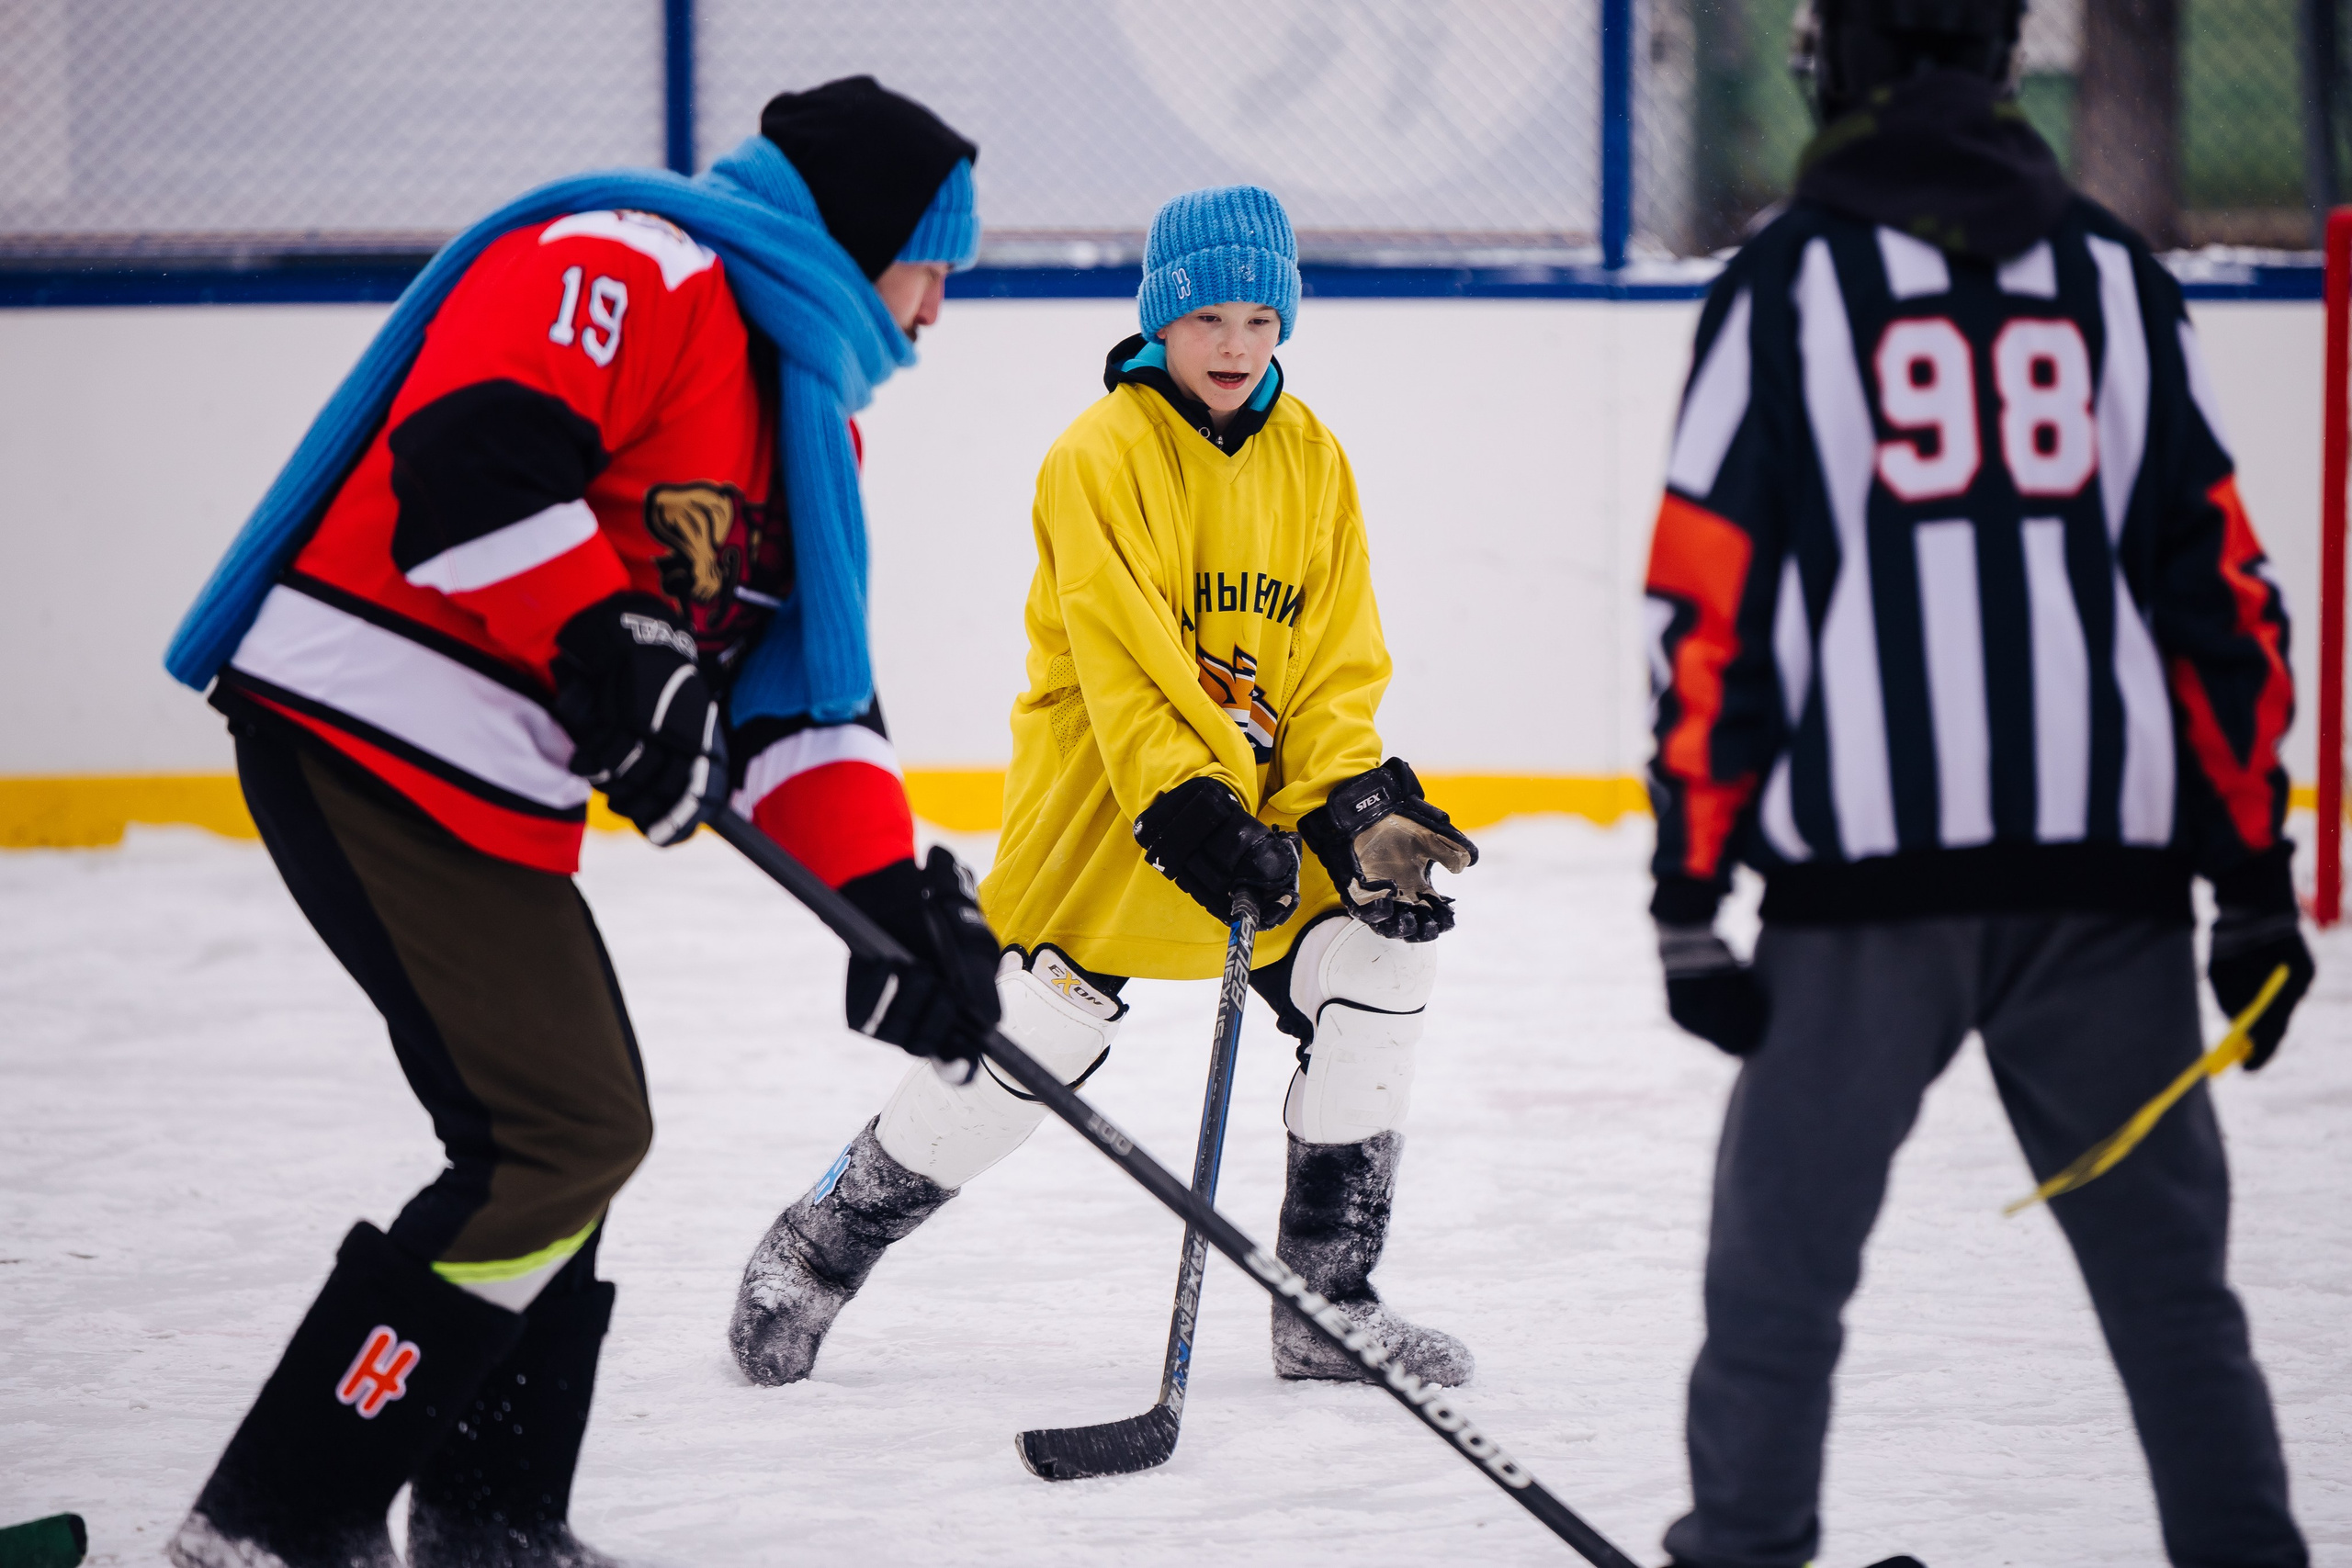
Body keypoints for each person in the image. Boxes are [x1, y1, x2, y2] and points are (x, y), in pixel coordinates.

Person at [162, 79, 1005, 1568]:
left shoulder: (808, 428)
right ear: (859, 235)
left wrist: (892, 909)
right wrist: (610, 644)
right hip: (366, 732)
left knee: (573, 1129)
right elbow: (469, 465)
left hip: (488, 790)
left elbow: (797, 715)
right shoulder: (631, 264)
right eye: (931, 262)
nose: (935, 309)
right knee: (562, 1128)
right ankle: (278, 1520)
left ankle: (493, 1519)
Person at [1641, 0, 2317, 1563]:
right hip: (2110, 891)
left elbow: (1709, 603)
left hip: (1864, 896)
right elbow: (2224, 597)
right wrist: (2254, 879)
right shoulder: (2111, 282)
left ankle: (1741, 1545)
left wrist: (1688, 883)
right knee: (2176, 1300)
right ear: (2006, 60)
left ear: (1847, 61)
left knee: (1776, 1282)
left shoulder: (1790, 285)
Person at [729, 185, 1482, 1393]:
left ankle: (1326, 1306)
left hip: (1261, 823)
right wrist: (1191, 803)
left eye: (1258, 318)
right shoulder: (1100, 457)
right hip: (1113, 811)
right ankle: (818, 1246)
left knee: (1388, 959)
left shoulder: (1314, 460)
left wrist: (1359, 814)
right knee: (1031, 1044)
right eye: (1209, 319)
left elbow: (1338, 667)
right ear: (1161, 319)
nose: (1237, 346)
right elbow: (1126, 671)